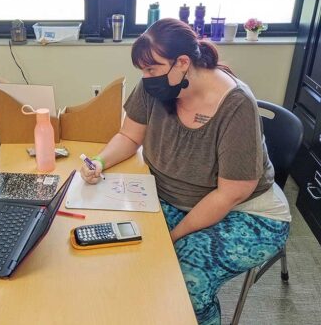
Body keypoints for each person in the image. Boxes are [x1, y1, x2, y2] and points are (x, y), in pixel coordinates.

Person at [80, 18, 290, 325]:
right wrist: (99, 162)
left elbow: (231, 192)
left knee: (187, 281)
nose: (146, 78)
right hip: (172, 197)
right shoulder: (159, 83)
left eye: (151, 70)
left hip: (245, 211)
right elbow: (129, 137)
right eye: (143, 71)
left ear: (182, 62)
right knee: (114, 246)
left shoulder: (235, 105)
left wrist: (173, 237)